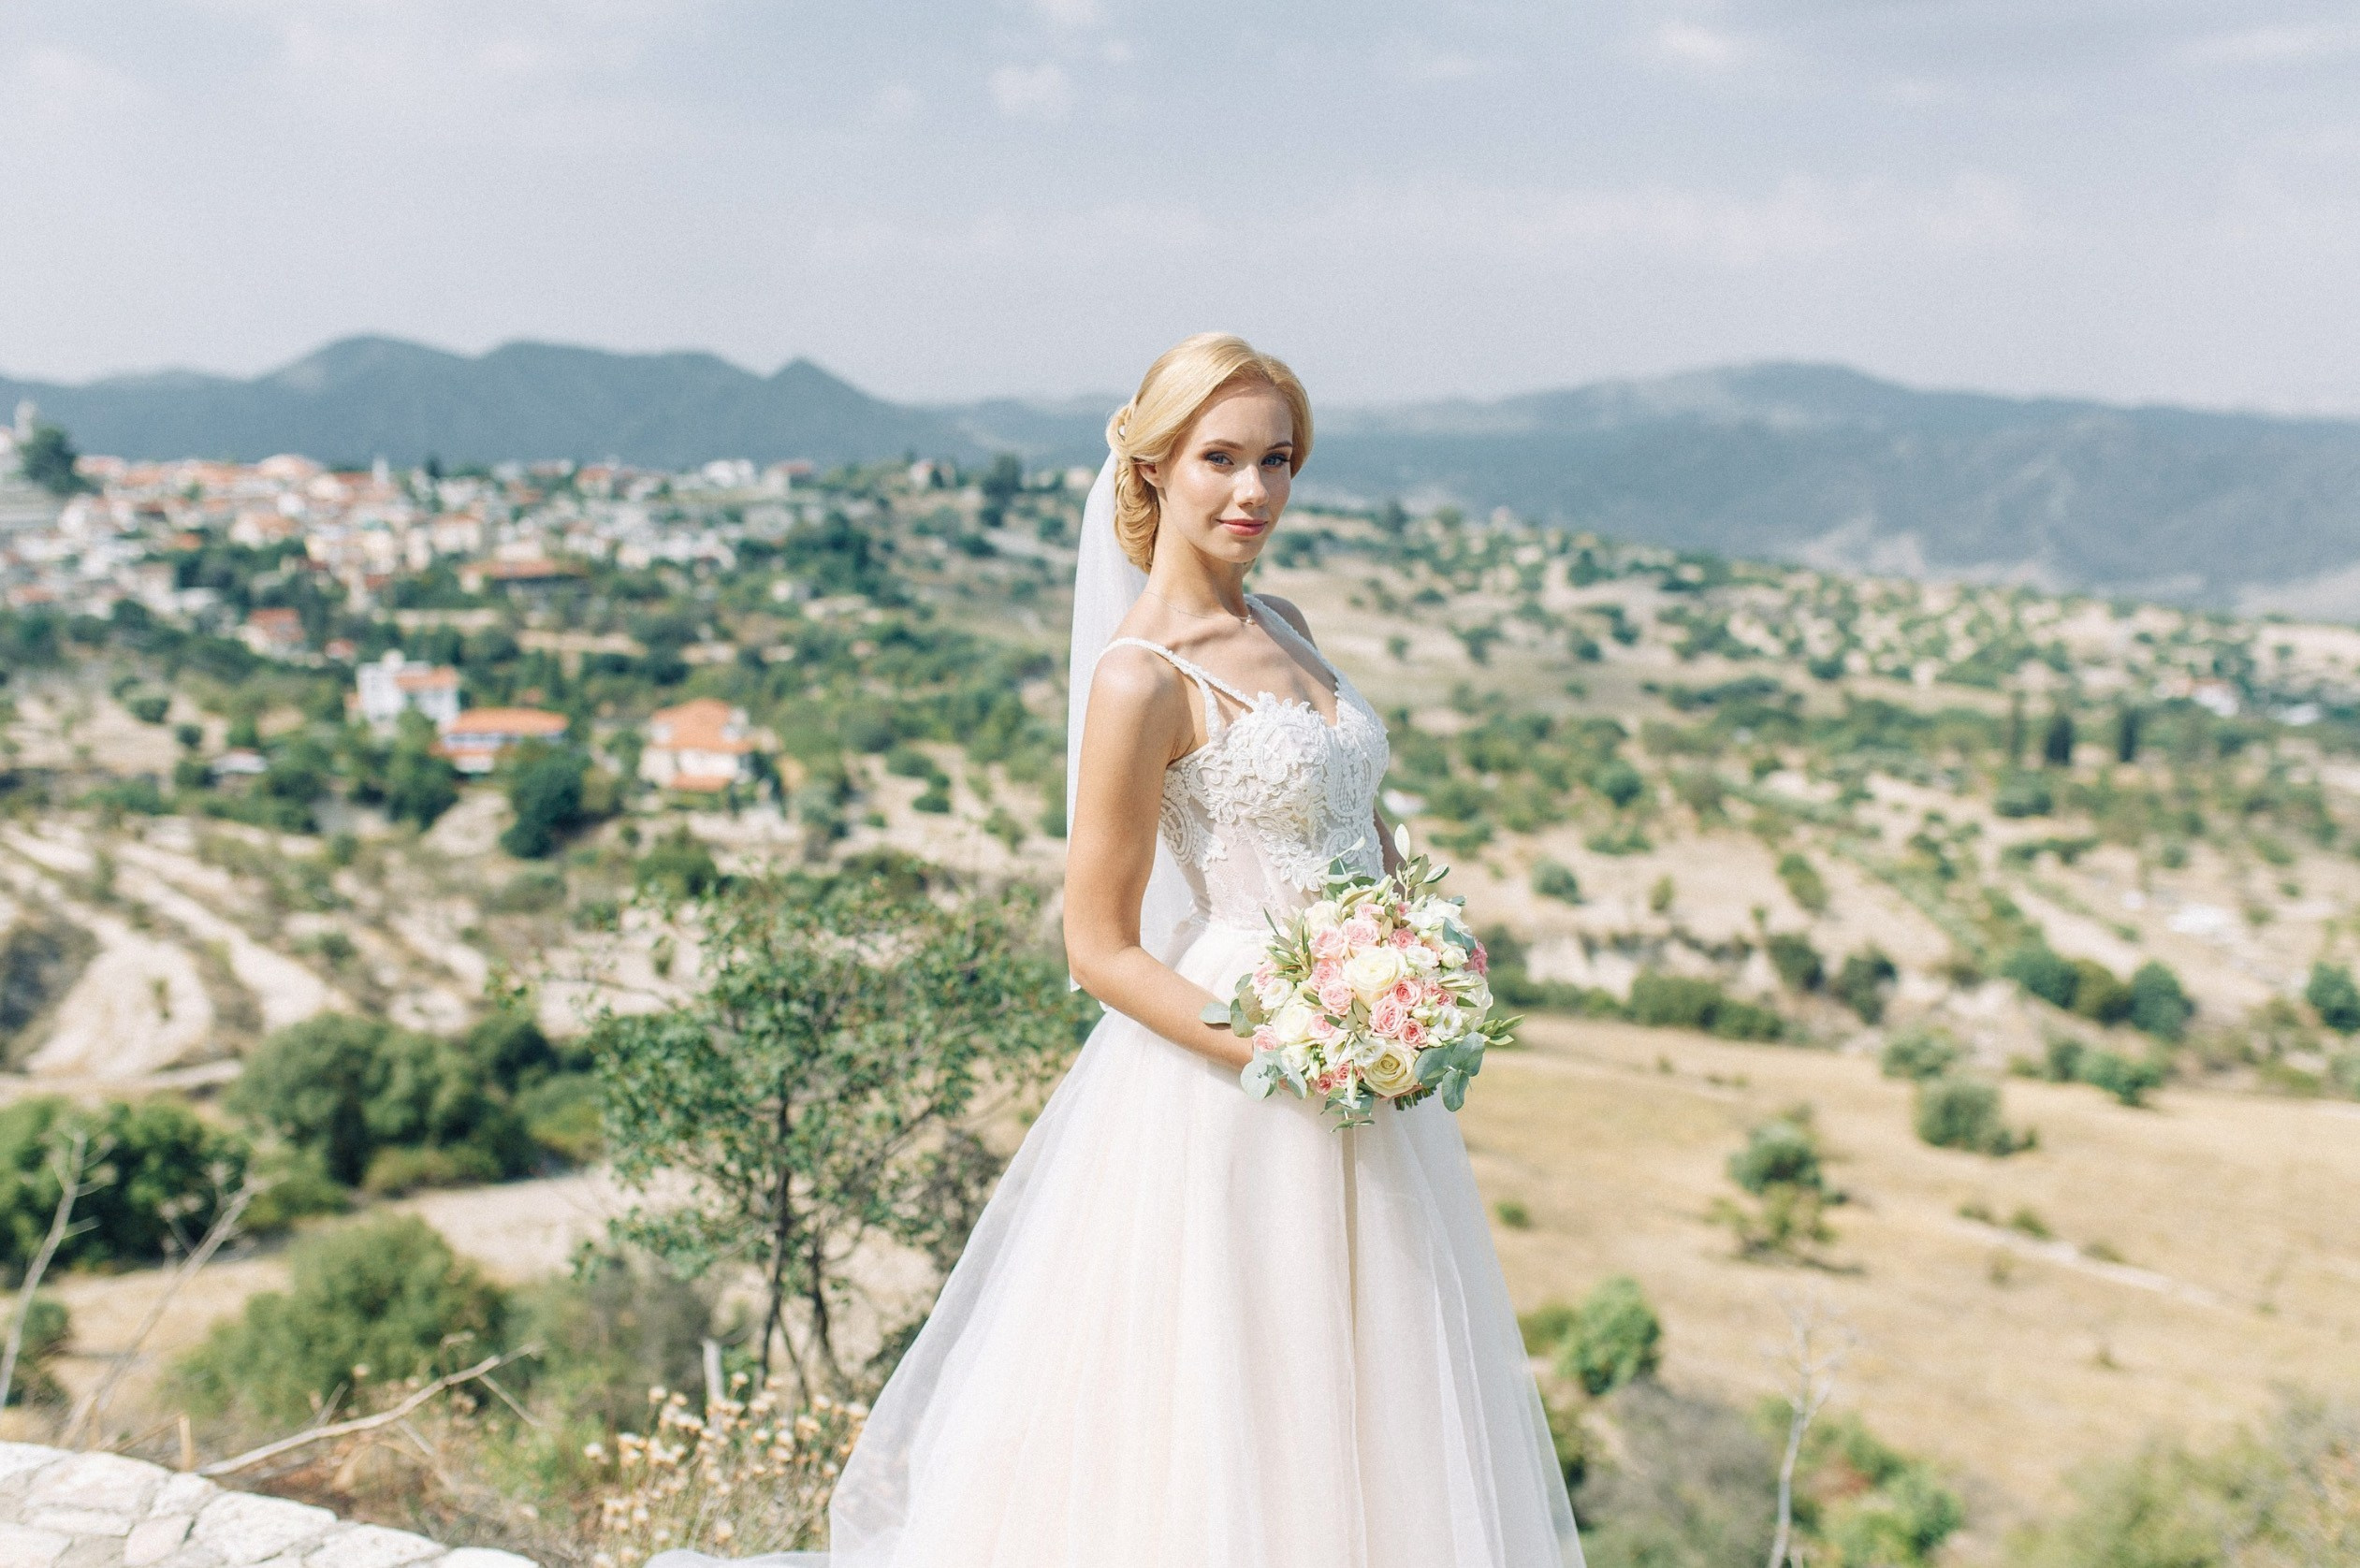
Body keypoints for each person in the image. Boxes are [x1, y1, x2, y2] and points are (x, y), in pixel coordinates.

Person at [823, 333, 1582, 1565]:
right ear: (1153, 469)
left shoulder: (1286, 621)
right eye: (1221, 459)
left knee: (1379, 1371)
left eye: (1277, 461)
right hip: (1242, 1062)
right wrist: (1286, 1042)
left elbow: (1364, 825)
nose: (1255, 493)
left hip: (1365, 1044)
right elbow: (1097, 948)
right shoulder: (1138, 679)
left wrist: (1427, 956)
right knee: (1244, 1382)